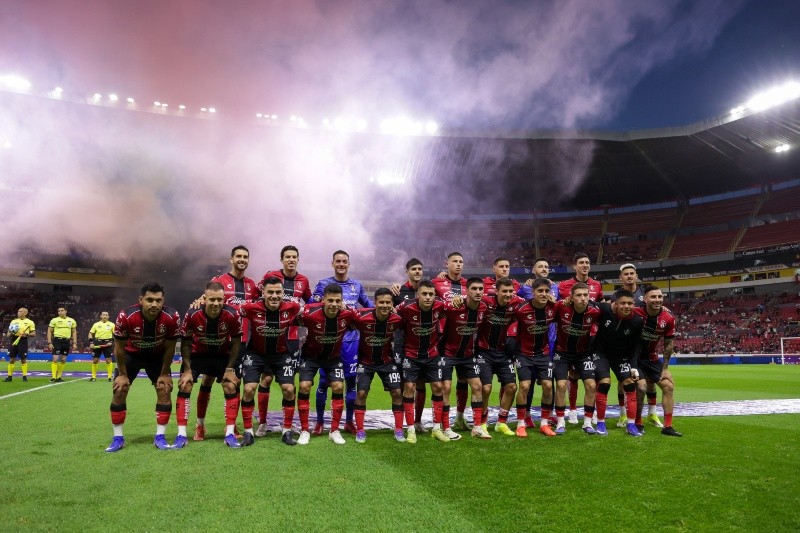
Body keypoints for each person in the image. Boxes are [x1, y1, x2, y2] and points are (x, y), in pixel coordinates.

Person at [193, 245, 261, 441]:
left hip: (240, 342)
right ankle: (200, 426)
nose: (242, 259)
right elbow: (204, 299)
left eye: (245, 257)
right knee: (206, 380)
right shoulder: (219, 281)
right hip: (217, 340)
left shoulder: (252, 285)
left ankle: (229, 426)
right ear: (231, 259)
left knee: (234, 382)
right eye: (238, 256)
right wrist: (198, 300)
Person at [105, 282, 181, 452]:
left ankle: (160, 437)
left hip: (156, 357)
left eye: (158, 300)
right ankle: (118, 438)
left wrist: (164, 374)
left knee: (164, 388)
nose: (154, 304)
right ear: (141, 300)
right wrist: (122, 374)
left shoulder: (172, 316)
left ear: (163, 301)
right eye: (150, 300)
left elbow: (170, 348)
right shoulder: (126, 316)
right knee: (120, 388)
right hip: (132, 355)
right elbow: (119, 347)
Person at [310, 250, 373, 436]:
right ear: (332, 263)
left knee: (351, 382)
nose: (341, 264)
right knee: (324, 382)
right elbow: (310, 305)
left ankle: (348, 422)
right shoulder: (323, 284)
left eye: (344, 261)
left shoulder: (356, 285)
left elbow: (369, 305)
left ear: (349, 264)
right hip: (329, 340)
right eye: (338, 261)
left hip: (351, 341)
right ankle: (320, 422)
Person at [176, 282, 244, 448]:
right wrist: (187, 370)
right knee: (185, 385)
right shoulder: (193, 314)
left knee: (230, 385)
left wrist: (229, 369)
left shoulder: (232, 314)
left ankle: (229, 432)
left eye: (219, 299)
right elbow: (185, 343)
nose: (215, 303)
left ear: (224, 299)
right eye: (212, 299)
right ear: (204, 298)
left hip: (221, 355)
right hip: (198, 355)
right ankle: (187, 432)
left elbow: (236, 343)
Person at [239, 276, 304, 446]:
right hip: (256, 354)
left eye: (278, 292)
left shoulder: (293, 307)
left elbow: (311, 310)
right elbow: (229, 310)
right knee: (248, 389)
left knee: (289, 389)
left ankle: (286, 431)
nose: (274, 296)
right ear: (263, 293)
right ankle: (248, 432)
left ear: (283, 293)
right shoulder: (250, 308)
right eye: (270, 292)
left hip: (281, 355)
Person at [254, 245, 311, 437]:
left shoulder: (303, 280)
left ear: (297, 259)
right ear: (281, 260)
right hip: (272, 330)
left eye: (294, 256)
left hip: (294, 334)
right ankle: (262, 422)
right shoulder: (271, 276)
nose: (291, 260)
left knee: (289, 381)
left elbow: (310, 302)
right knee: (267, 378)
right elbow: (256, 294)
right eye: (287, 257)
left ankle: (288, 424)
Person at [295, 283, 359, 445]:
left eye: (338, 301)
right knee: (304, 386)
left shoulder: (347, 314)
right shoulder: (310, 313)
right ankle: (304, 430)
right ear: (323, 300)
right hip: (310, 357)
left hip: (333, 358)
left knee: (338, 387)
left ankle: (334, 430)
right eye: (330, 300)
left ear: (342, 301)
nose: (334, 304)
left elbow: (362, 317)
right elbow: (294, 317)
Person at [396, 280, 449, 443]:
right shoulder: (405, 307)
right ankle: (410, 429)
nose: (427, 297)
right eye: (424, 294)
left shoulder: (440, 306)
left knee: (438, 387)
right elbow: (392, 316)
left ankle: (436, 428)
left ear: (435, 295)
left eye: (431, 294)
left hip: (432, 354)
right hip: (411, 354)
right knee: (410, 387)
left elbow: (451, 311)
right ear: (417, 295)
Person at [351, 288, 406, 443]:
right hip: (365, 362)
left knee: (396, 392)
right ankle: (360, 430)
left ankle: (399, 430)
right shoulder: (362, 318)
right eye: (381, 302)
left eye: (388, 302)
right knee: (361, 394)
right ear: (375, 303)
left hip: (387, 362)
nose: (384, 305)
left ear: (392, 304)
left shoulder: (397, 319)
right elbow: (347, 316)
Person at [474, 278, 525, 436]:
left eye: (510, 291)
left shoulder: (517, 303)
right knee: (486, 388)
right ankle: (482, 422)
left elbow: (532, 303)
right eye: (504, 291)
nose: (508, 294)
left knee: (511, 387)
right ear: (496, 291)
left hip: (503, 353)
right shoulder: (485, 300)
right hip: (484, 351)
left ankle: (501, 422)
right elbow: (468, 298)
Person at [440, 277, 489, 439]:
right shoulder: (454, 306)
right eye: (474, 288)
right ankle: (446, 427)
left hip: (468, 355)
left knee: (477, 387)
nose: (477, 292)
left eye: (480, 289)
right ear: (466, 290)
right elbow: (435, 309)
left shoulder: (484, 307)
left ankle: (476, 427)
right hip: (447, 353)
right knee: (446, 388)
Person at [592, 289, 645, 437]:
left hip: (621, 356)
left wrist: (633, 366)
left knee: (629, 383)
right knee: (604, 383)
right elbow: (587, 303)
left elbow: (636, 346)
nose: (627, 306)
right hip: (600, 353)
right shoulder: (604, 309)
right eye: (623, 303)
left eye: (630, 303)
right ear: (615, 304)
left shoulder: (637, 321)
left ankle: (631, 424)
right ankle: (601, 423)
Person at [557, 252, 603, 424]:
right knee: (572, 376)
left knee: (592, 378)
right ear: (574, 266)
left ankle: (592, 412)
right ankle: (573, 410)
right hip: (568, 334)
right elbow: (559, 306)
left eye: (587, 262)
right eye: (581, 263)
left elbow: (598, 305)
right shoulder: (564, 285)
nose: (585, 265)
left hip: (589, 337)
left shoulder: (597, 285)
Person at [552, 282, 601, 435]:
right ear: (571, 297)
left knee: (591, 385)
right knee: (561, 385)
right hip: (562, 353)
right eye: (579, 295)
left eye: (585, 295)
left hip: (583, 354)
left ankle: (587, 423)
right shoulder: (561, 307)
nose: (583, 298)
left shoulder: (595, 311)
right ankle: (560, 423)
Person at [634, 286, 682, 437]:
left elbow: (668, 344)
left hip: (652, 358)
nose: (657, 300)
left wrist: (665, 368)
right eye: (653, 297)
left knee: (668, 386)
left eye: (660, 297)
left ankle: (667, 426)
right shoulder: (635, 312)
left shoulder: (668, 318)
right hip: (633, 358)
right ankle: (637, 421)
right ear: (645, 299)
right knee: (641, 387)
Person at [514, 278, 557, 437]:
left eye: (547, 291)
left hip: (543, 353)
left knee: (547, 385)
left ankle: (544, 424)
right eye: (540, 291)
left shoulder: (554, 308)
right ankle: (520, 424)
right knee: (524, 386)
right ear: (533, 293)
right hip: (523, 353)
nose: (544, 294)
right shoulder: (521, 309)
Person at [390, 258, 429, 434]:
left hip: (423, 343)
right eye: (414, 269)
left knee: (420, 384)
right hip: (402, 344)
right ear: (407, 271)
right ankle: (404, 422)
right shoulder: (398, 291)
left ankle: (418, 421)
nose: (417, 271)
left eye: (420, 269)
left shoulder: (428, 291)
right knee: (405, 385)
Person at [521, 258, 559, 429]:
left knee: (549, 380)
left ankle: (549, 415)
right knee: (529, 380)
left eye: (546, 266)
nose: (544, 268)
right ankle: (526, 415)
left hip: (550, 339)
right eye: (540, 266)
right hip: (530, 340)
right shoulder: (525, 287)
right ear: (533, 270)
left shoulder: (556, 287)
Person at [4, 307, 35, 382]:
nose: (18, 313)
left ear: (25, 313)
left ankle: (24, 377)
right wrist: (9, 333)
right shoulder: (13, 321)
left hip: (23, 340)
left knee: (23, 359)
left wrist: (26, 334)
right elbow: (9, 332)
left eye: (20, 311)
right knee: (11, 359)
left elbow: (33, 333)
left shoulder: (30, 322)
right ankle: (9, 377)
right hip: (14, 340)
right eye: (18, 311)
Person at [47, 307, 78, 383]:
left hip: (66, 341)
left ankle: (59, 377)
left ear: (66, 311)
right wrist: (49, 342)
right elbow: (49, 331)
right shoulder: (54, 320)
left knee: (63, 360)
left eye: (61, 311)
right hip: (57, 340)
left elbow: (74, 332)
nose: (60, 312)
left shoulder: (71, 320)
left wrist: (74, 343)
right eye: (58, 311)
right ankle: (53, 377)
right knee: (55, 359)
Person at [88, 311, 115, 382]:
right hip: (97, 342)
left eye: (106, 315)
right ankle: (93, 377)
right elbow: (90, 333)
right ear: (101, 316)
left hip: (107, 343)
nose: (105, 316)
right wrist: (91, 342)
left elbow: (115, 334)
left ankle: (109, 377)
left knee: (108, 360)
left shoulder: (112, 324)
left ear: (108, 317)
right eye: (103, 315)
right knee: (95, 360)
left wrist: (111, 342)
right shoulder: (96, 324)